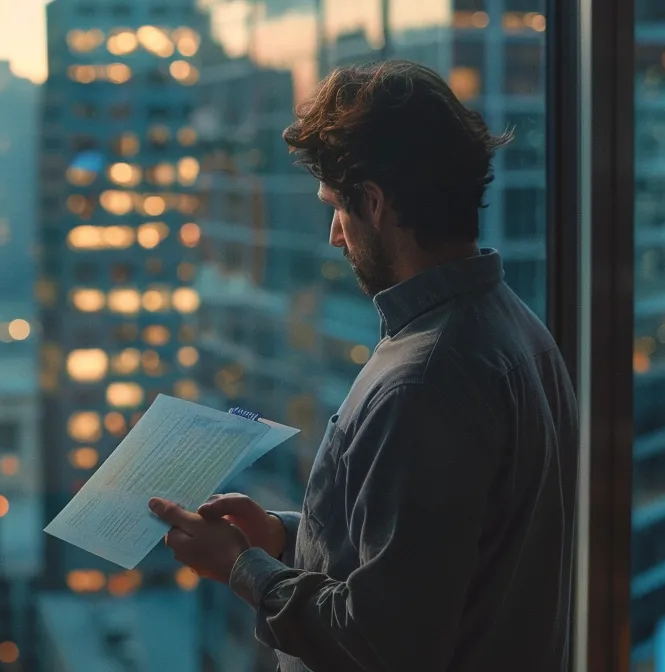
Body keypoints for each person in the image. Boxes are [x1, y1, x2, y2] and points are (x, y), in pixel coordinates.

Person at [148, 60, 577, 671]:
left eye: (337, 207)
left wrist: (242, 569)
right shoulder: (517, 332)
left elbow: (382, 642)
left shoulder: (425, 379)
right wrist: (280, 539)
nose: (334, 236)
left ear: (374, 204)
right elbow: (428, 566)